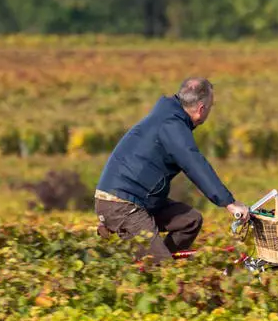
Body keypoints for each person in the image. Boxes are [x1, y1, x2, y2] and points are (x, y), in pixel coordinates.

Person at [94, 77, 249, 263]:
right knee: (161, 268)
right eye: (211, 105)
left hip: (138, 199)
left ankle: (151, 262)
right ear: (201, 109)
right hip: (123, 204)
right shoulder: (172, 126)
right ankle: (156, 268)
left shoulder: (168, 116)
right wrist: (229, 203)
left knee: (190, 221)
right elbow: (194, 164)